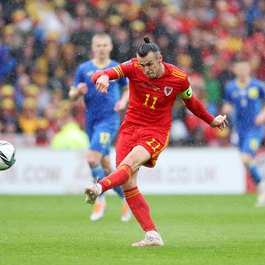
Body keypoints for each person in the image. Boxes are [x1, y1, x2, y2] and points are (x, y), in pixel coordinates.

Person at [84, 37, 228, 246]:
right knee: (128, 182)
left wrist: (212, 120)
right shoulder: (133, 66)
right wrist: (103, 77)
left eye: (150, 64)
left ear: (159, 59)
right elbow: (103, 72)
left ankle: (98, 188)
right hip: (130, 128)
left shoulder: (178, 78)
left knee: (130, 163)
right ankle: (152, 234)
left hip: (156, 132)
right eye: (143, 65)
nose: (146, 69)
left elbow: (192, 103)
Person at [69, 33, 132, 222]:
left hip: (109, 120)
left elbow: (128, 88)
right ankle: (128, 201)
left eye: (105, 45)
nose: (102, 48)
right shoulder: (84, 68)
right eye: (99, 45)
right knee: (105, 167)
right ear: (93, 48)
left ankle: (100, 199)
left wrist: (123, 101)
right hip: (91, 122)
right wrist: (77, 92)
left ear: (111, 47)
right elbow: (72, 93)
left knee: (91, 158)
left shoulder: (115, 68)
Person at [222, 60, 265, 207]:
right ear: (234, 70)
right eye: (239, 68)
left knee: (246, 158)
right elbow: (227, 104)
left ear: (249, 70)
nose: (241, 71)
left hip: (255, 128)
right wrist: (226, 110)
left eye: (244, 68)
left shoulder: (257, 85)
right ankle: (261, 186)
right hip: (240, 130)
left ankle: (262, 186)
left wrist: (263, 114)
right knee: (244, 160)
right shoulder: (230, 87)